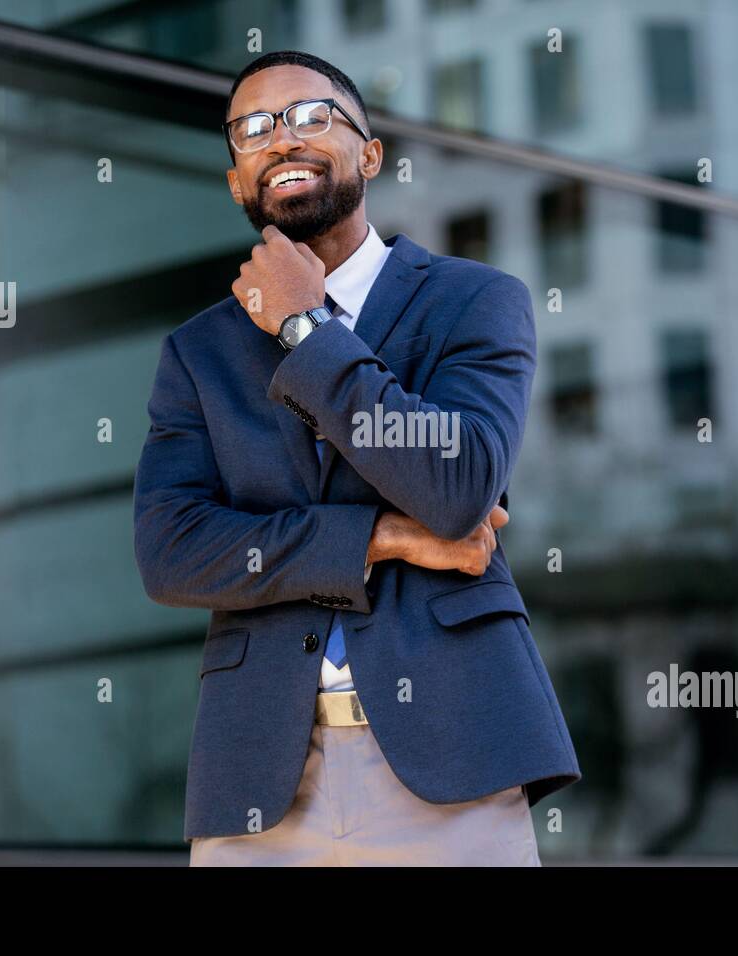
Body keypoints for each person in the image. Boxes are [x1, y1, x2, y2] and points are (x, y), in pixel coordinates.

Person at [133, 50, 580, 866]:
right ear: (237, 181)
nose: (282, 140)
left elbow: (454, 487)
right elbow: (171, 553)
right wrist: (379, 537)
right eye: (253, 129)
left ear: (369, 155)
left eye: (311, 116)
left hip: (454, 758)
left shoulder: (472, 301)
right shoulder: (199, 353)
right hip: (259, 779)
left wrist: (306, 329)